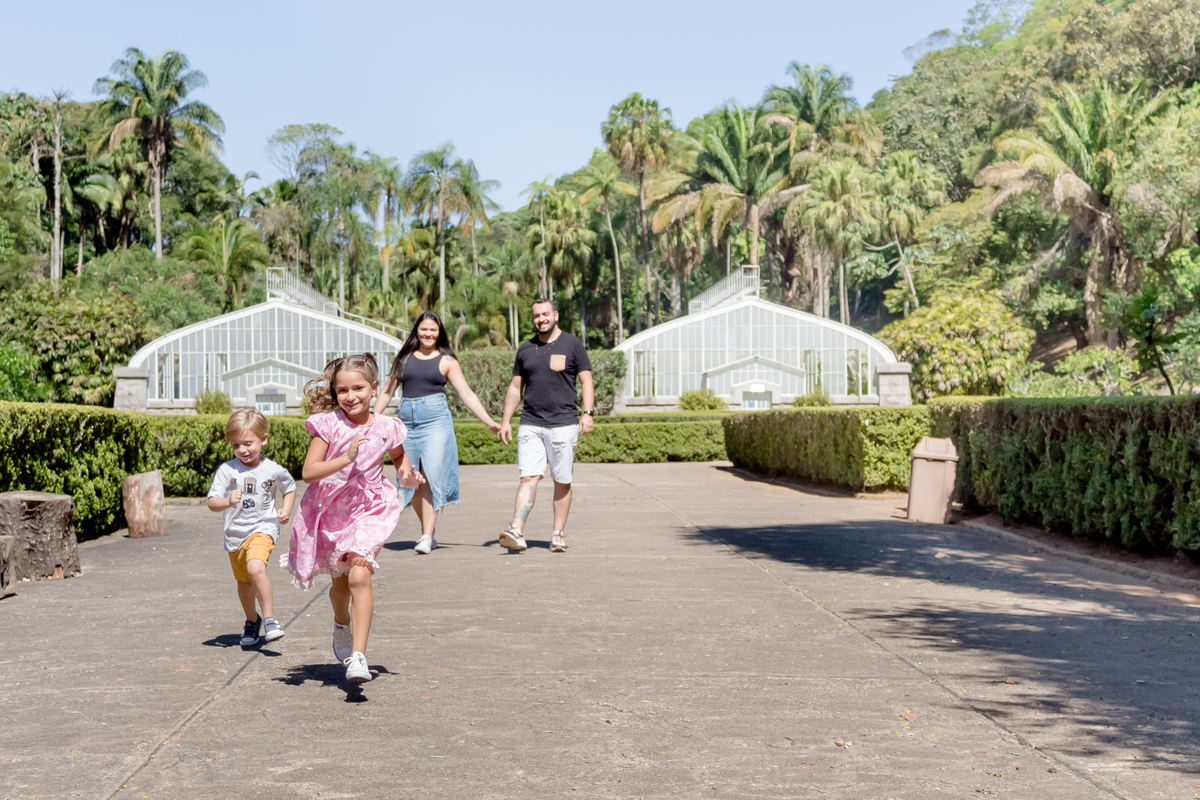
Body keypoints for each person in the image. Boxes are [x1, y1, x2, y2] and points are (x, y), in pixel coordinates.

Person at [284, 353, 424, 683]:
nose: (351, 396)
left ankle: (358, 656)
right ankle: (340, 622)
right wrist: (345, 457)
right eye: (342, 390)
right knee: (340, 584)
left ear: (374, 388)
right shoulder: (328, 425)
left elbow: (400, 461)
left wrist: (408, 477)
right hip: (332, 509)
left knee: (359, 575)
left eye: (358, 388)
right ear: (334, 391)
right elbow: (309, 473)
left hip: (369, 508)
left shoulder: (387, 427)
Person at [374, 311, 500, 554]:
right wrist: (372, 420)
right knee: (409, 480)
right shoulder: (404, 358)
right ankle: (428, 533)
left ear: (439, 332)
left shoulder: (447, 361)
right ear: (417, 331)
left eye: (433, 330)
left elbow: (467, 394)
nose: (428, 334)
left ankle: (426, 536)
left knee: (431, 477)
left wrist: (488, 422)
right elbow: (387, 392)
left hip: (435, 421)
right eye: (424, 329)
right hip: (406, 422)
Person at [498, 299, 594, 553]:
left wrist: (588, 413)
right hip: (530, 423)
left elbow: (586, 381)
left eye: (545, 314)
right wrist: (506, 420)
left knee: (562, 481)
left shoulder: (572, 344)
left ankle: (558, 534)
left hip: (563, 425)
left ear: (555, 315)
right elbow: (516, 388)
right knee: (528, 477)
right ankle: (516, 530)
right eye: (536, 315)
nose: (541, 319)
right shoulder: (526, 349)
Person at [206, 409, 297, 649]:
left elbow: (289, 487)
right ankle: (251, 620)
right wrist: (227, 501)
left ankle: (270, 620)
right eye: (236, 445)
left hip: (264, 527)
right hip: (235, 534)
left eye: (248, 443)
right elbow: (212, 502)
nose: (243, 450)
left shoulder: (273, 469)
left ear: (263, 439)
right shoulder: (228, 470)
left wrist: (285, 510)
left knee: (255, 567)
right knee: (244, 583)